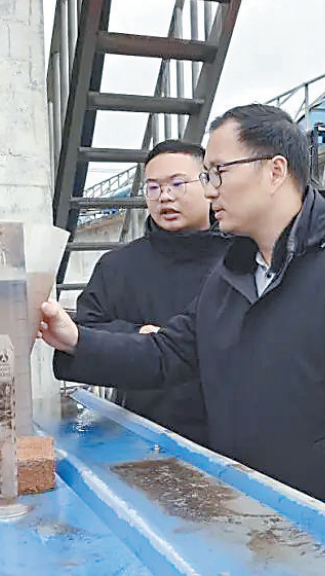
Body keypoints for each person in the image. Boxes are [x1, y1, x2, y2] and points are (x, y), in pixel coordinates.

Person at [44, 104, 325, 540]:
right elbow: (168, 353)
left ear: (275, 171)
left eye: (218, 173)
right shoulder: (232, 275)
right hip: (246, 518)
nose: (209, 191)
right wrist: (75, 339)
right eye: (206, 176)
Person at [72, 139, 229, 445]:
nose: (165, 197)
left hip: (227, 439)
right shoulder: (118, 266)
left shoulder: (240, 260)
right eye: (153, 187)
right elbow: (86, 331)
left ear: (208, 184)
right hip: (139, 435)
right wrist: (138, 335)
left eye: (177, 184)